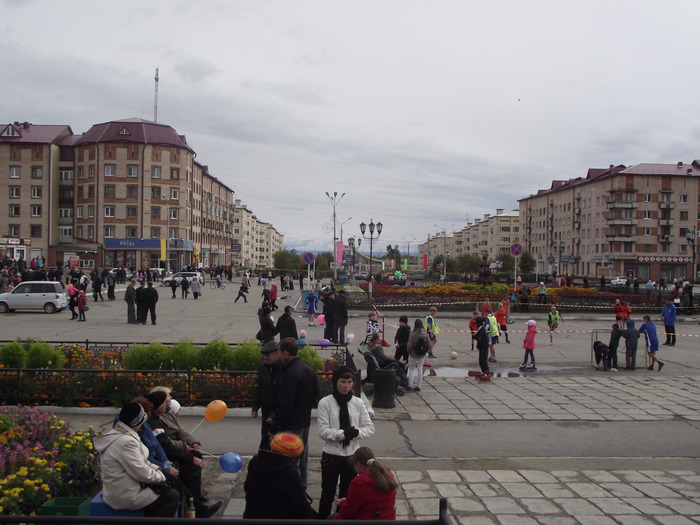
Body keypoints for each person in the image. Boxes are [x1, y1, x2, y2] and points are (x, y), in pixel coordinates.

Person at [93, 402, 180, 517]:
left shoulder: (120, 434)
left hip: (124, 488)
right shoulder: (126, 442)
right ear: (138, 422)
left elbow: (141, 461)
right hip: (125, 494)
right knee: (171, 496)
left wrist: (157, 468)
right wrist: (162, 476)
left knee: (167, 488)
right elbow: (141, 472)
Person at [144, 390, 221, 517]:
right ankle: (196, 508)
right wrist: (185, 457)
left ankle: (196, 503)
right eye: (165, 400)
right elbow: (165, 446)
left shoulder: (161, 416)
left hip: (164, 459)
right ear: (159, 406)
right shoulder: (154, 422)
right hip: (162, 461)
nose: (168, 403)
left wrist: (191, 442)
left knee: (194, 459)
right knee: (188, 470)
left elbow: (179, 431)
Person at [317, 366, 375, 518]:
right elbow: (323, 431)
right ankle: (323, 519)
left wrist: (357, 433)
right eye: (343, 381)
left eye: (349, 382)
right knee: (327, 493)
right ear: (336, 382)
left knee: (347, 493)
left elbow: (369, 428)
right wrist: (343, 434)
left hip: (352, 456)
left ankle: (341, 518)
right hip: (331, 454)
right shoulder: (325, 403)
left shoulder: (358, 403)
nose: (346, 386)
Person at [267, 338, 318, 489]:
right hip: (304, 421)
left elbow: (285, 404)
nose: (279, 355)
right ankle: (302, 487)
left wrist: (274, 427)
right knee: (302, 457)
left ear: (286, 353)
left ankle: (292, 491)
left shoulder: (290, 373)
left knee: (291, 460)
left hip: (292, 423)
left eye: (279, 352)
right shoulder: (308, 369)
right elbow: (315, 395)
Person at [243, 433, 317, 519]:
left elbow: (247, 488)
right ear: (292, 455)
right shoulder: (289, 473)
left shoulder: (255, 462)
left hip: (252, 517)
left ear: (272, 447)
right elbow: (300, 507)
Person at [333, 446, 398, 520]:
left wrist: (342, 503)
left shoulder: (359, 482)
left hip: (369, 520)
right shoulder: (387, 474)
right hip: (389, 518)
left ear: (358, 464)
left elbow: (347, 512)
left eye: (354, 465)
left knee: (331, 518)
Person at [251, 341, 283, 450]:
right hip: (266, 412)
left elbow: (285, 396)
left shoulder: (284, 369)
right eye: (264, 355)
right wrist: (255, 407)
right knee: (265, 442)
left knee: (278, 444)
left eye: (268, 355)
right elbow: (258, 387)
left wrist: (275, 415)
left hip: (279, 415)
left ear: (277, 354)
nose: (266, 358)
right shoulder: (263, 367)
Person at [406, 319, 431, 391]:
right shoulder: (425, 333)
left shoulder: (412, 334)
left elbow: (409, 344)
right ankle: (418, 386)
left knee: (411, 368)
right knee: (420, 368)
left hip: (413, 353)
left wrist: (408, 351)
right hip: (422, 353)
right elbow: (429, 343)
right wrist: (429, 350)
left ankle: (410, 385)